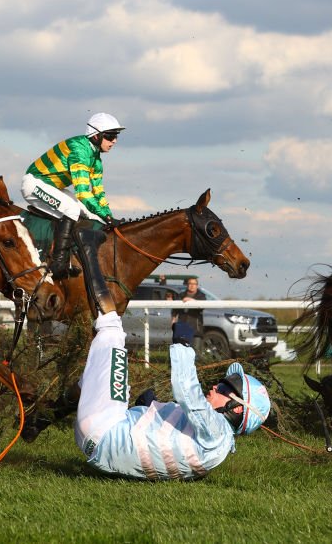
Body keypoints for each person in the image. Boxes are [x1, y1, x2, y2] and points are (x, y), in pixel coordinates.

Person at [74, 312, 271, 481]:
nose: (215, 386)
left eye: (224, 388)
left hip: (102, 428)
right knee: (101, 373)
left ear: (236, 408)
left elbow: (188, 392)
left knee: (112, 328)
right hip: (99, 450)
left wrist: (183, 344)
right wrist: (148, 407)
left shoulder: (218, 431)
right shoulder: (215, 450)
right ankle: (53, 409)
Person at [22, 112, 124, 279]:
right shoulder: (79, 150)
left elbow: (98, 192)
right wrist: (107, 216)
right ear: (96, 136)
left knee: (91, 215)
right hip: (33, 184)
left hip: (51, 187)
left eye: (116, 136)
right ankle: (59, 262)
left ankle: (71, 258)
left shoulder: (96, 158)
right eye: (110, 136)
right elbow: (83, 193)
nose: (114, 141)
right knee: (71, 209)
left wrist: (109, 217)